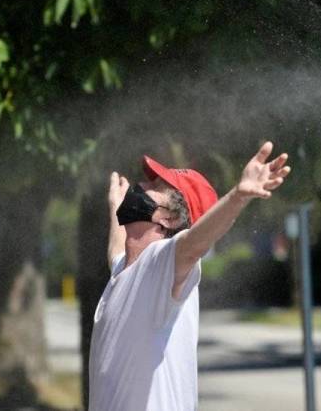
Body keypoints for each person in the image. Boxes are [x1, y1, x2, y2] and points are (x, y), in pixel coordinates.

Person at [88, 141, 291, 411]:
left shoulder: (161, 265)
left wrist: (237, 197)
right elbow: (116, 249)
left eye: (155, 187)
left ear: (169, 219)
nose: (141, 186)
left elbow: (195, 243)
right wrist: (115, 205)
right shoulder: (125, 270)